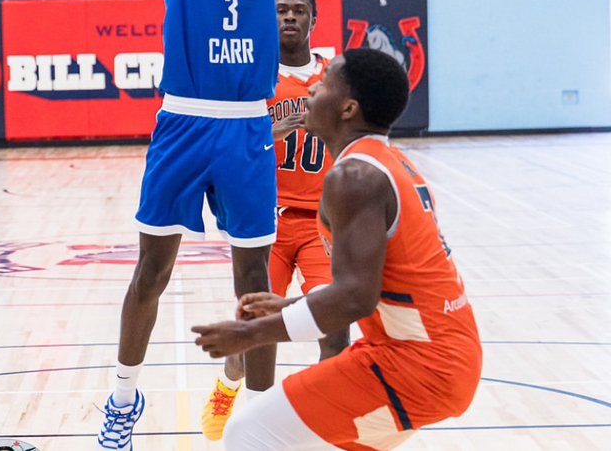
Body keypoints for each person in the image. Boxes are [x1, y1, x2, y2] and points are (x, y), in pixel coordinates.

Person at [96, 0, 300, 448]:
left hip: (246, 130)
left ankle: (261, 419)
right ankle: (123, 399)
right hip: (182, 123)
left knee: (254, 289)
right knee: (151, 270)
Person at [193, 48, 482, 451]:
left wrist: (249, 334)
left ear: (348, 108)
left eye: (325, 82)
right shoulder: (384, 161)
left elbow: (354, 299)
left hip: (418, 364)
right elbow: (371, 286)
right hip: (437, 355)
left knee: (247, 434)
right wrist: (287, 307)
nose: (312, 87)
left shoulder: (354, 176)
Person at [201, 0, 350, 441]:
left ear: (312, 19)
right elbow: (226, 146)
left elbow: (356, 139)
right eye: (280, 8)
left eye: (298, 9)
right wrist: (273, 130)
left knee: (335, 326)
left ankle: (325, 419)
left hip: (322, 224)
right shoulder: (252, 76)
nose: (288, 15)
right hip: (265, 222)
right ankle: (229, 383)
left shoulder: (334, 76)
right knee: (257, 327)